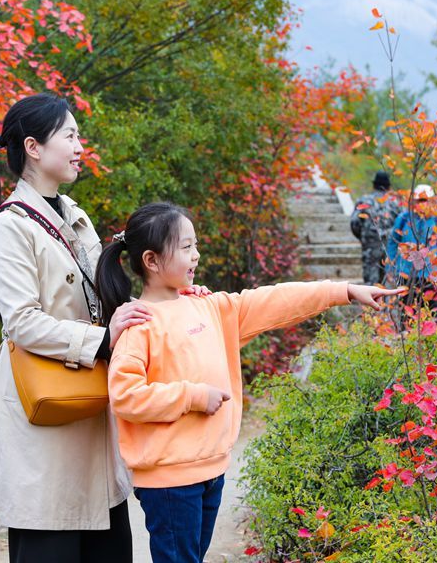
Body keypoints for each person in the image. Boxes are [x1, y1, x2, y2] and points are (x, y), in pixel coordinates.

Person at [94, 202, 404, 563]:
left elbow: (273, 300)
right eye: (185, 247)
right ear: (151, 260)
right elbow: (126, 396)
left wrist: (344, 291)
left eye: (196, 245)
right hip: (170, 482)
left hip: (211, 472)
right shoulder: (140, 324)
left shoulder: (209, 307)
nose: (196, 255)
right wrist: (193, 396)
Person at [0, 93, 210, 563]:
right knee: (52, 537)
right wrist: (101, 339)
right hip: (46, 406)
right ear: (35, 147)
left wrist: (170, 296)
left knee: (106, 539)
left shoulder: (73, 214)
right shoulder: (10, 227)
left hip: (89, 400)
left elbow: (106, 298)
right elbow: (20, 321)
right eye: (71, 135)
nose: (81, 146)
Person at [386, 184, 437, 323]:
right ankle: (407, 341)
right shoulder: (404, 218)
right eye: (420, 201)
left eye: (426, 201)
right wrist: (390, 268)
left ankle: (429, 342)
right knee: (406, 313)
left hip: (430, 275)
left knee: (431, 314)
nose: (422, 205)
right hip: (406, 274)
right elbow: (393, 243)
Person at [350, 170, 401, 285]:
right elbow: (401, 226)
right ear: (388, 186)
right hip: (390, 246)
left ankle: (370, 302)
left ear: (374, 185)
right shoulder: (395, 203)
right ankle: (385, 302)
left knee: (370, 281)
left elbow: (354, 223)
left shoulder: (364, 200)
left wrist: (364, 237)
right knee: (387, 282)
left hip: (370, 245)